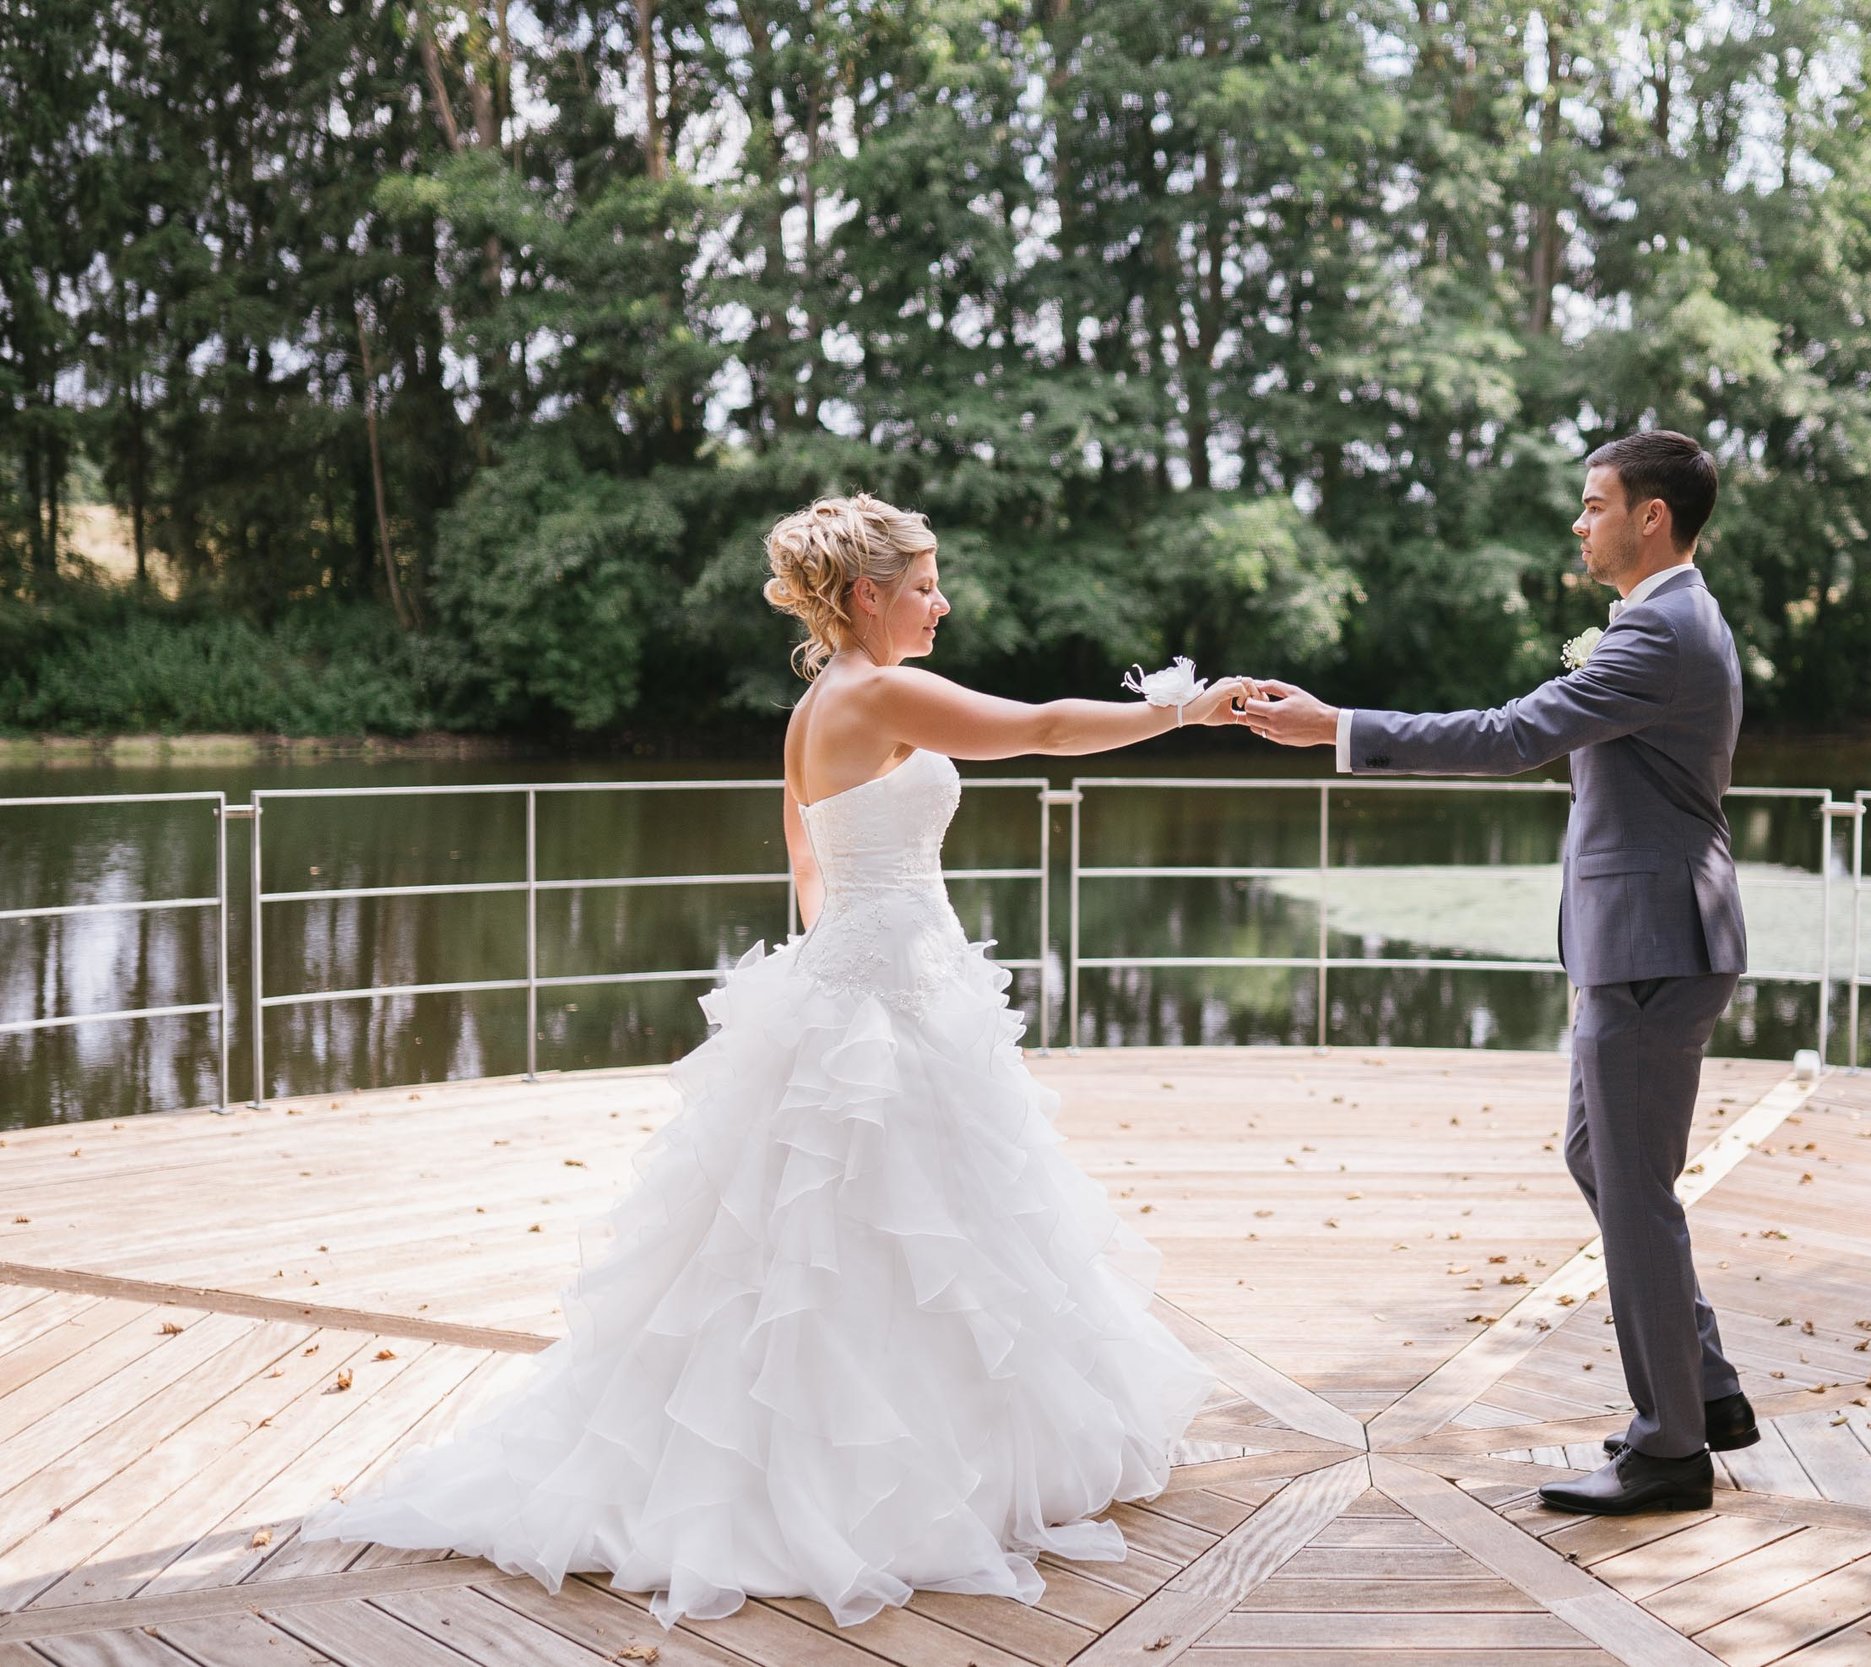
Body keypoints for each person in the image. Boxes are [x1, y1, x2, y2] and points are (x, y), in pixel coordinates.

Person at [302, 492, 1255, 1625]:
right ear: (866, 596)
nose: (939, 604)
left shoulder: (814, 705)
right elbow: (1045, 726)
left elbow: (806, 852)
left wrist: (835, 970)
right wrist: (1187, 710)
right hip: (891, 984)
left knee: (835, 1228)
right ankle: (885, 1476)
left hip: (860, 973)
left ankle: (818, 1446)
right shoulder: (883, 689)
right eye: (922, 587)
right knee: (910, 1219)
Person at [1244, 430, 1755, 1516]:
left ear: (1649, 517)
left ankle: (1669, 1448)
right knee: (1602, 1159)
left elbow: (1514, 732)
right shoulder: (1664, 621)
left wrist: (1337, 727)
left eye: (1593, 502)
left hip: (1654, 944)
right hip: (1652, 937)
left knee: (1633, 1188)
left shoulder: (1659, 632)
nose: (1579, 521)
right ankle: (1701, 1386)